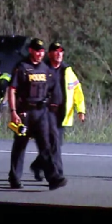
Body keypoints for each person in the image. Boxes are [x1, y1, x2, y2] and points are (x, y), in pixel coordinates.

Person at [7, 38, 67, 190]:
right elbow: (12, 90)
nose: (40, 54)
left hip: (41, 114)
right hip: (24, 113)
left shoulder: (45, 68)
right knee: (20, 146)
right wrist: (13, 112)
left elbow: (53, 87)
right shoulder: (22, 67)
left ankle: (53, 179)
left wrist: (53, 104)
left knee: (45, 147)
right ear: (30, 51)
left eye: (42, 51)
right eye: (37, 51)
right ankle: (14, 178)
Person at [30, 41, 86, 180]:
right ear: (50, 54)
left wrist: (81, 110)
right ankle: (57, 174)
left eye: (61, 51)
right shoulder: (43, 68)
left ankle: (38, 165)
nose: (59, 54)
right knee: (54, 145)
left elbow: (77, 90)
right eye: (56, 51)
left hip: (62, 114)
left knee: (55, 144)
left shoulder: (68, 71)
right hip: (46, 113)